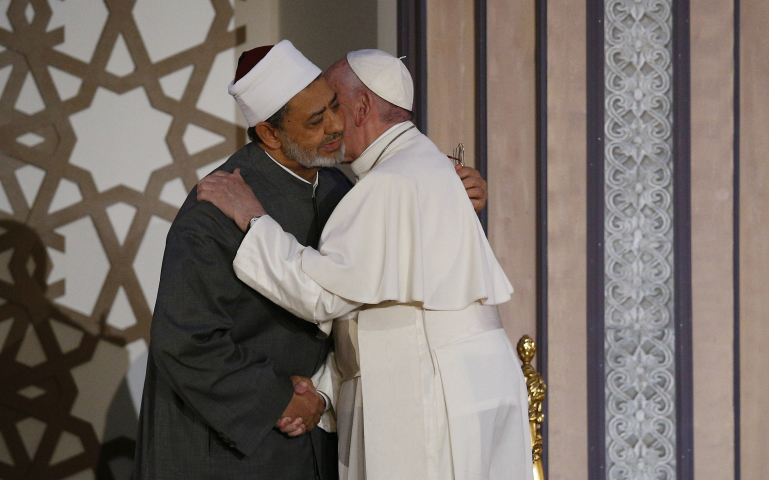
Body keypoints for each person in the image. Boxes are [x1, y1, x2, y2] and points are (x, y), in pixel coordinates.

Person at [133, 41, 488, 479]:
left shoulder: (340, 189)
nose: (337, 126)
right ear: (269, 134)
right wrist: (278, 398)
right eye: (317, 120)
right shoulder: (218, 206)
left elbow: (365, 293)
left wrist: (449, 197)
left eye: (334, 107)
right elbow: (185, 339)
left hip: (310, 436)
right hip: (224, 446)